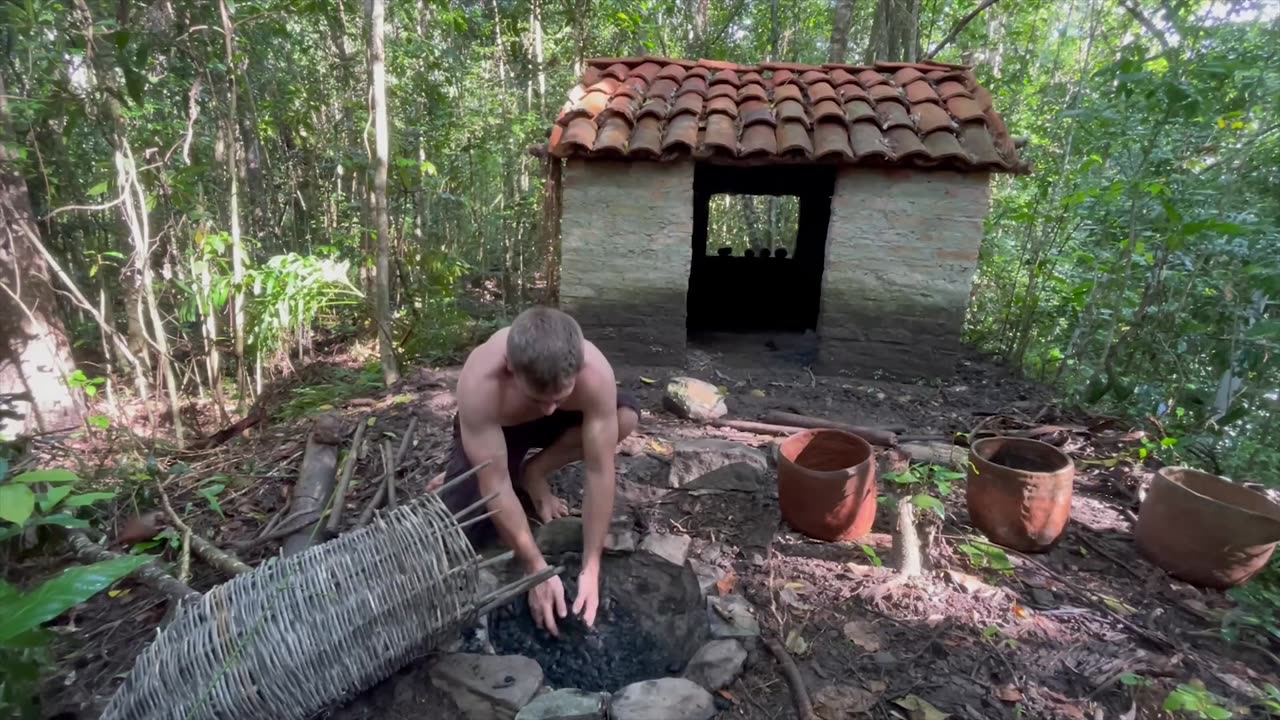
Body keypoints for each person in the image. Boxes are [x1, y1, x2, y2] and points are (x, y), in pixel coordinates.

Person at [430, 306, 639, 637]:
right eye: (539, 399)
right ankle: (470, 467)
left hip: (558, 426)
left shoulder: (594, 373)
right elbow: (495, 484)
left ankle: (533, 471)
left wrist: (591, 566)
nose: (549, 409)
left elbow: (600, 473)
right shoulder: (481, 383)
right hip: (503, 426)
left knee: (624, 419)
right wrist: (536, 568)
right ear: (510, 368)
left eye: (560, 396)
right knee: (462, 527)